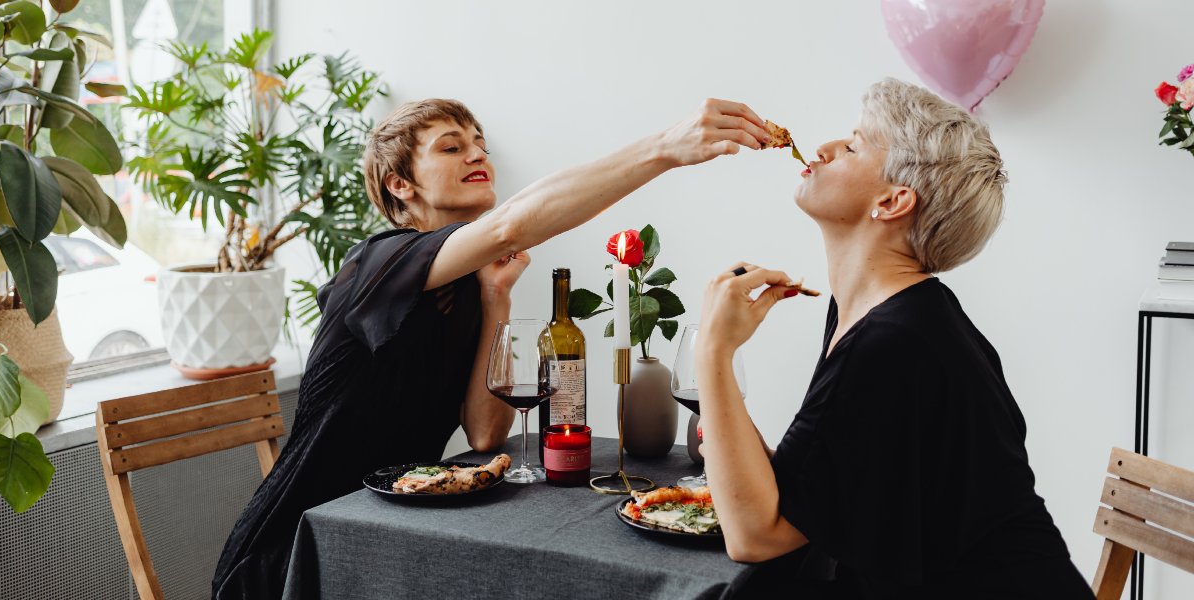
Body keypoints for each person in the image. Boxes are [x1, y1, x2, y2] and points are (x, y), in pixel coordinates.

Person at [212, 97, 774, 598]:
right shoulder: (379, 261)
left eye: (479, 144)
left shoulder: (463, 284)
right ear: (399, 184)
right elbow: (510, 225)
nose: (476, 155)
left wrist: (496, 299)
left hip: (395, 534)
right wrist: (663, 148)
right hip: (300, 549)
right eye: (451, 147)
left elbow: (484, 435)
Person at [695, 79, 1094, 598]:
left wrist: (713, 352)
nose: (825, 148)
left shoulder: (894, 343)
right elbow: (799, 501)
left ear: (892, 201)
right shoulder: (887, 316)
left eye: (855, 145)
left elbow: (756, 537)